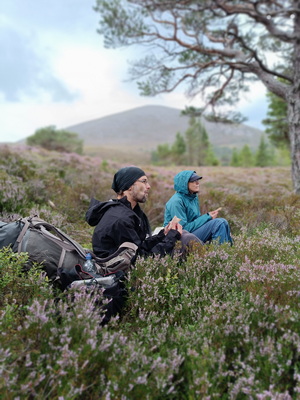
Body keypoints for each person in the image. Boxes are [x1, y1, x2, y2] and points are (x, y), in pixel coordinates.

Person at [86, 166, 200, 260]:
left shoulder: (126, 211)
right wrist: (171, 237)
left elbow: (138, 246)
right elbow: (141, 258)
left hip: (132, 263)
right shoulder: (120, 218)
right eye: (144, 181)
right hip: (125, 274)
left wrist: (163, 234)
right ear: (129, 186)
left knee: (184, 234)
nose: (148, 186)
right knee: (186, 241)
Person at [164, 170, 232, 245]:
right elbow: (183, 229)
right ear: (184, 184)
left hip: (190, 233)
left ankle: (226, 253)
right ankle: (218, 255)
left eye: (197, 180)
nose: (197, 183)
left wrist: (208, 217)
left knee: (223, 222)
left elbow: (195, 220)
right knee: (219, 223)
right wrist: (207, 217)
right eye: (193, 181)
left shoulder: (193, 197)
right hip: (178, 238)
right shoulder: (176, 202)